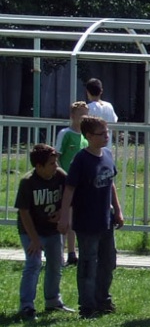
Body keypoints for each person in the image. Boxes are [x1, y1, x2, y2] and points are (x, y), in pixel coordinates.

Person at [58, 115, 124, 319]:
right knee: (88, 263)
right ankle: (87, 306)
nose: (106, 136)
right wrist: (64, 216)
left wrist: (118, 210)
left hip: (106, 219)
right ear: (88, 136)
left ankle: (103, 300)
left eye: (107, 132)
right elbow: (70, 189)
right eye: (101, 133)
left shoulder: (107, 155)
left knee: (108, 262)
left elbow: (111, 184)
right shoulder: (81, 159)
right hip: (87, 221)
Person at [16, 144, 71, 320]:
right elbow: (24, 212)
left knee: (56, 264)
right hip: (31, 230)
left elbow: (70, 194)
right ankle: (26, 306)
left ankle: (53, 300)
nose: (56, 166)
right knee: (33, 264)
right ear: (39, 166)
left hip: (52, 230)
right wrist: (34, 240)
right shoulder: (27, 182)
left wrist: (61, 213)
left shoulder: (60, 175)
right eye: (52, 163)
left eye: (56, 162)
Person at [54, 101, 89, 266]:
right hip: (67, 182)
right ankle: (58, 253)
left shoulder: (85, 137)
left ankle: (72, 252)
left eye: (86, 114)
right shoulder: (65, 134)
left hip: (80, 184)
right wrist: (63, 176)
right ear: (72, 116)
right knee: (64, 218)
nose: (83, 118)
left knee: (74, 219)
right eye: (80, 114)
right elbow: (56, 157)